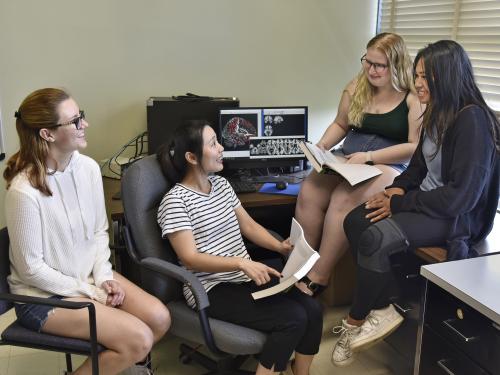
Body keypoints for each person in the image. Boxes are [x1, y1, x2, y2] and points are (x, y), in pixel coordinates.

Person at [332, 40, 500, 366]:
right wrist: (394, 190)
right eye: (417, 75)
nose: (418, 83)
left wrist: (401, 203)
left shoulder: (472, 121)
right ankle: (386, 305)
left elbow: (460, 198)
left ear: (448, 77)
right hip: (431, 202)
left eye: (426, 77)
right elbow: (417, 168)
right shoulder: (437, 111)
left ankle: (357, 319)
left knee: (375, 237)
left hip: (457, 216)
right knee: (355, 220)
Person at [4, 88, 171, 375]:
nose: (85, 125)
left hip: (88, 277)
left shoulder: (89, 169)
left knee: (159, 318)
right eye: (76, 120)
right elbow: (31, 270)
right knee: (139, 338)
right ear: (48, 134)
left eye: (82, 116)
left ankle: (115, 365)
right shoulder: (24, 191)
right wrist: (92, 292)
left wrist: (104, 277)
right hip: (43, 296)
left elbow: (98, 232)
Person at [157, 120, 323, 375]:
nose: (222, 147)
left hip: (243, 275)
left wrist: (280, 247)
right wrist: (240, 262)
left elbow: (249, 226)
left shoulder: (221, 185)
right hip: (210, 288)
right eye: (213, 143)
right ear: (192, 156)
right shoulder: (175, 201)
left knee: (312, 308)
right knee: (292, 319)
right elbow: (189, 258)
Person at [294, 32, 424, 295]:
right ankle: (295, 267)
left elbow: (413, 147)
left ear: (396, 66)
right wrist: (321, 148)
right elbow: (341, 123)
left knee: (343, 198)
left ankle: (318, 277)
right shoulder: (356, 87)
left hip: (389, 164)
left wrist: (369, 158)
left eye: (379, 65)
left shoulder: (412, 97)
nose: (371, 70)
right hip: (349, 157)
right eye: (368, 61)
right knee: (311, 188)